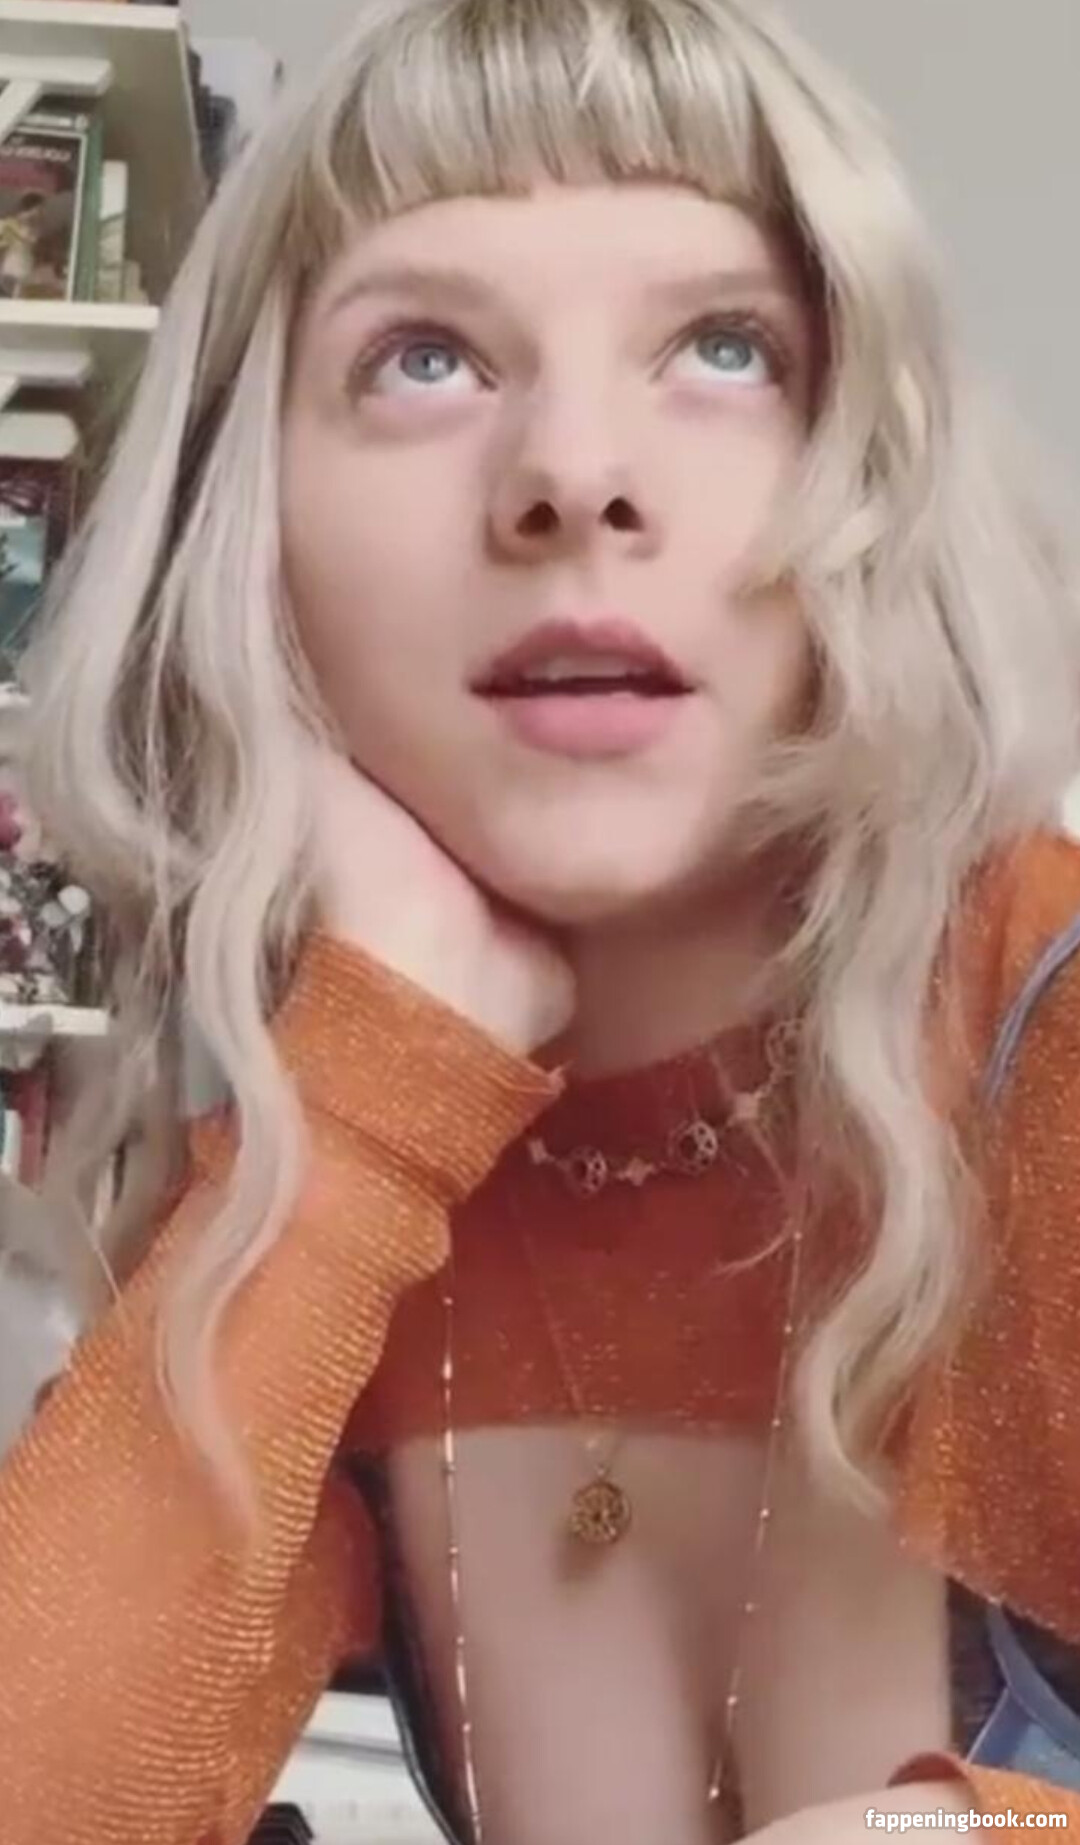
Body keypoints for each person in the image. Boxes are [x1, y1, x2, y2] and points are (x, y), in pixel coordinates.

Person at [1, 0, 1079, 1840]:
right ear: (254, 537)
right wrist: (371, 1090)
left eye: (726, 347)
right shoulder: (334, 1129)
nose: (576, 473)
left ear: (873, 472)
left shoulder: (1041, 1045)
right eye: (422, 358)